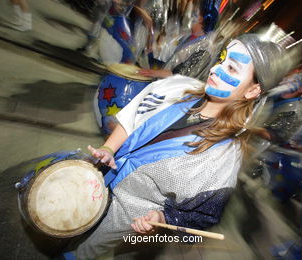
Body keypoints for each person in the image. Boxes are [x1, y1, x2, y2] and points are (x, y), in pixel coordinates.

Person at [69, 33, 290, 259]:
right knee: (70, 223)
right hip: (99, 178)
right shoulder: (177, 88)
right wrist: (108, 149)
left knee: (86, 250)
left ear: (252, 91)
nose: (215, 69)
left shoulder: (222, 160)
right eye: (221, 59)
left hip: (125, 216)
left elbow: (200, 220)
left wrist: (162, 220)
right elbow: (132, 118)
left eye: (232, 69)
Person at [138, 0, 219, 79]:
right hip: (164, 82)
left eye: (194, 11)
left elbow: (183, 75)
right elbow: (171, 61)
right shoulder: (187, 35)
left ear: (200, 18)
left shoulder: (206, 47)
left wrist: (154, 73)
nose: (189, 12)